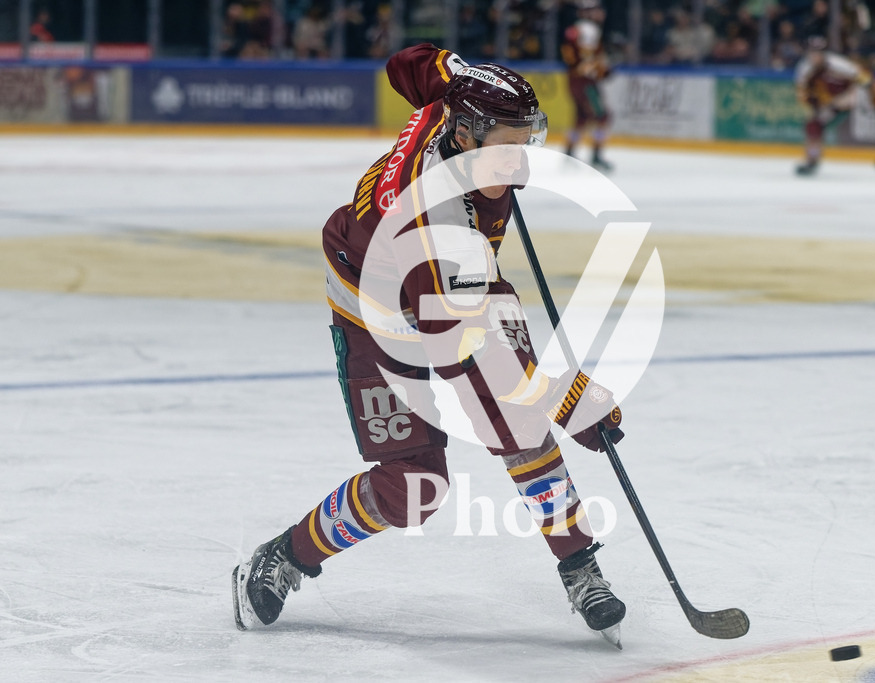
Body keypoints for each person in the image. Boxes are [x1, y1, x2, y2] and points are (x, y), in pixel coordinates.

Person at [232, 43, 628, 646]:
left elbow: (408, 62)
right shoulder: (434, 218)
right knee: (413, 487)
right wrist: (564, 398)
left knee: (518, 426)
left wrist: (455, 69)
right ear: (465, 137)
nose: (521, 159)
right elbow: (459, 344)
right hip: (379, 311)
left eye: (527, 140)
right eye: (508, 146)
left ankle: (579, 565)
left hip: (455, 289)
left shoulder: (454, 102)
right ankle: (285, 554)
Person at [794, 36, 875, 176]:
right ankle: (812, 158)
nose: (815, 56)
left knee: (815, 125)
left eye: (818, 53)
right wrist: (812, 104)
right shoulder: (804, 68)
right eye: (812, 53)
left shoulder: (838, 64)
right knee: (813, 127)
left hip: (846, 99)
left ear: (824, 54)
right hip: (826, 103)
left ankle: (812, 159)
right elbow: (802, 93)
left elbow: (865, 78)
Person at [560, 0, 613, 171]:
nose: (602, 14)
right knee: (602, 116)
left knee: (581, 117)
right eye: (598, 10)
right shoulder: (589, 29)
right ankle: (596, 154)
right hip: (585, 82)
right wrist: (600, 69)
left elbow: (572, 56)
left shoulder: (575, 29)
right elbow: (586, 60)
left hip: (575, 80)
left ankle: (569, 150)